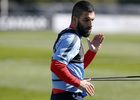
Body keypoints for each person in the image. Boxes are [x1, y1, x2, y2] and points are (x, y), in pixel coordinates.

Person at [50, 1, 104, 100]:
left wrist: (92, 52)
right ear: (75, 19)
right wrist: (78, 83)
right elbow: (56, 66)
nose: (90, 24)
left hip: (63, 95)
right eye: (86, 20)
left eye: (92, 20)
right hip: (67, 96)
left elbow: (75, 67)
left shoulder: (67, 34)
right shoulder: (72, 38)